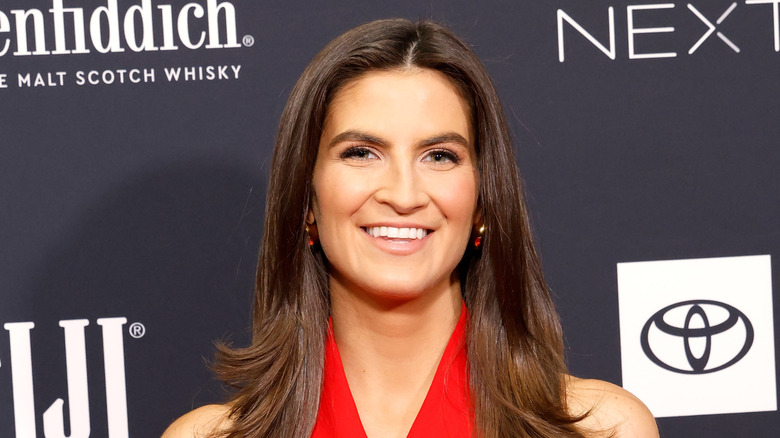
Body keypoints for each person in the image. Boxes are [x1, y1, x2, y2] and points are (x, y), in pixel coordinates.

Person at [163, 18, 658, 438]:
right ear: (306, 202)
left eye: (439, 156)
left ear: (484, 201)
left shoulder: (598, 429)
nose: (403, 195)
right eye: (361, 153)